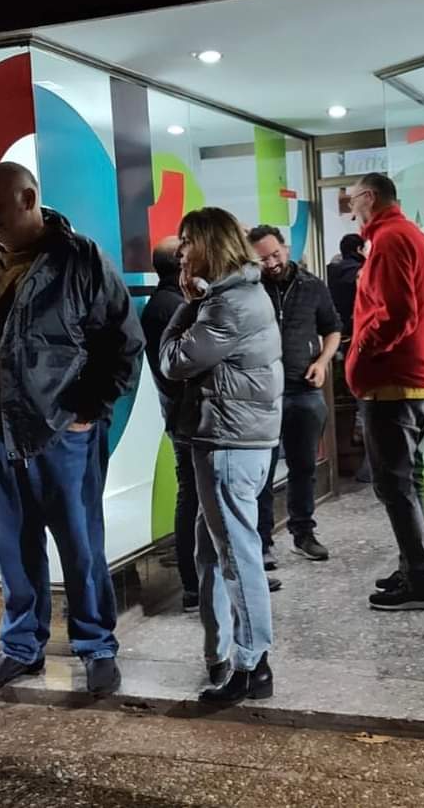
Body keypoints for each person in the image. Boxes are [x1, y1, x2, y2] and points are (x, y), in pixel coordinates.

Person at [0, 162, 144, 697]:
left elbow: (124, 344)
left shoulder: (81, 259)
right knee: (13, 546)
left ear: (27, 199)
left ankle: (96, 646)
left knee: (80, 544)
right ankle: (21, 647)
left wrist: (86, 410)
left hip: (60, 433)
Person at [160, 207, 282, 704]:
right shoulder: (238, 294)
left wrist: (185, 307)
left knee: (235, 556)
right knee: (212, 554)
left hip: (230, 443)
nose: (181, 252)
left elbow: (173, 361)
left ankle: (253, 666)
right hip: (232, 439)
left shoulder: (226, 305)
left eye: (187, 241)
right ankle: (222, 655)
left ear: (209, 245)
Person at [346, 172, 424, 611]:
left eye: (352, 200)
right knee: (410, 482)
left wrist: (360, 353)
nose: (351, 209)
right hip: (421, 378)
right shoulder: (416, 237)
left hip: (393, 384)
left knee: (394, 485)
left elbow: (397, 313)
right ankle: (415, 566)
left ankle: (421, 581)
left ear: (369, 197)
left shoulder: (389, 239)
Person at [247, 225, 341, 566]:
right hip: (262, 395)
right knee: (262, 472)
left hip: (304, 390)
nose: (272, 263)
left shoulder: (312, 286)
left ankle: (303, 532)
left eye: (275, 254)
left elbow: (333, 328)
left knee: (304, 467)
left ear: (285, 249)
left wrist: (322, 362)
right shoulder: (249, 289)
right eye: (263, 259)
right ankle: (261, 541)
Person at [141, 237, 200, 612]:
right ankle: (193, 584)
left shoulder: (167, 303)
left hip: (184, 415)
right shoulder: (172, 307)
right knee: (192, 497)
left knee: (193, 496)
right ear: (180, 262)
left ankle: (197, 582)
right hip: (187, 416)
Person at [327, 233, 371, 483]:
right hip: (360, 342)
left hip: (339, 343)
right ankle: (369, 468)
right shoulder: (361, 272)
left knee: (356, 402)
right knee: (366, 404)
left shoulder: (330, 273)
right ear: (358, 249)